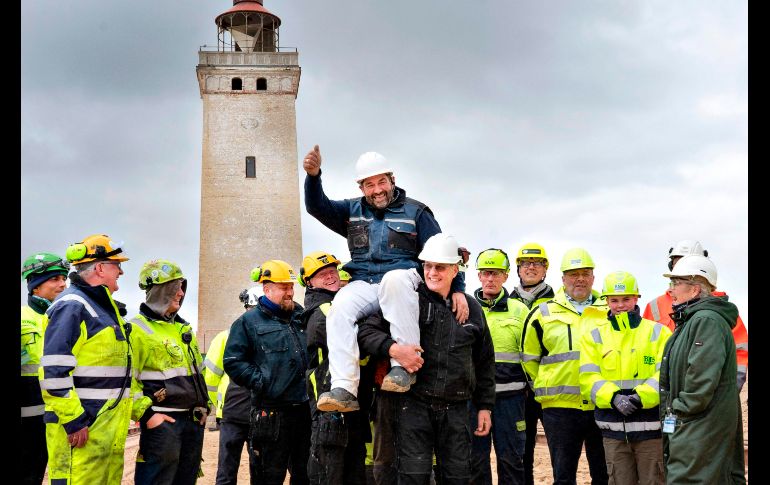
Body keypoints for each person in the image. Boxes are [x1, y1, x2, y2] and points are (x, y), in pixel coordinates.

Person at [302, 145, 468, 412]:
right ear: (361, 188)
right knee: (340, 306)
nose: (377, 189)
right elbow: (316, 207)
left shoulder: (417, 212)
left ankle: (402, 368)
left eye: (381, 181)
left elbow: (442, 251)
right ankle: (344, 388)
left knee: (394, 280)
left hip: (405, 278)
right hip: (364, 282)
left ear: (392, 180)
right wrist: (313, 176)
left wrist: (458, 288)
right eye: (369, 184)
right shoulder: (351, 211)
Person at [365, 233, 496, 484]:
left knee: (457, 477)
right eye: (428, 266)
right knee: (414, 477)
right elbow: (367, 332)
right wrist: (393, 349)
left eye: (440, 267)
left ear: (455, 270)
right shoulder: (407, 300)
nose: (432, 272)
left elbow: (484, 361)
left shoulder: (472, 309)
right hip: (413, 406)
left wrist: (485, 406)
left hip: (457, 409)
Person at [39, 234, 133, 484]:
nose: (121, 272)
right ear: (100, 268)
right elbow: (53, 371)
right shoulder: (73, 306)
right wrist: (73, 420)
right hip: (83, 432)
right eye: (117, 265)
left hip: (102, 432)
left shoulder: (102, 309)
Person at [521, 247, 609, 485]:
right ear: (562, 278)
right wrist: (546, 385)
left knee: (603, 474)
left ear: (593, 277)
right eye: (573, 274)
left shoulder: (608, 311)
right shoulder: (543, 313)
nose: (579, 279)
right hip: (559, 410)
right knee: (563, 475)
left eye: (585, 273)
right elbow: (529, 358)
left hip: (600, 404)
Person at [579, 271, 672, 485]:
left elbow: (665, 375)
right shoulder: (594, 336)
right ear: (606, 301)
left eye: (626, 299)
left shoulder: (658, 333)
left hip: (650, 429)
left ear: (636, 298)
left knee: (654, 481)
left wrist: (641, 397)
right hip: (613, 430)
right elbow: (588, 377)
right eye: (614, 300)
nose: (620, 305)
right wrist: (612, 397)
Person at [659, 255, 745, 483]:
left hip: (699, 427)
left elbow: (701, 381)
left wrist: (678, 411)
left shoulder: (706, 321)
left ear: (695, 289)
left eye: (677, 283)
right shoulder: (692, 320)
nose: (671, 290)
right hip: (695, 426)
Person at [223, 260, 311, 485]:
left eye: (291, 287)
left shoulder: (299, 316)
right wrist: (263, 382)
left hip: (303, 410)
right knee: (268, 476)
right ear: (267, 288)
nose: (290, 292)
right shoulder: (247, 322)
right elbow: (233, 362)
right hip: (270, 414)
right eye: (283, 287)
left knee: (305, 474)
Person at [129, 259, 210, 485]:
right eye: (175, 288)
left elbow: (197, 375)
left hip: (192, 421)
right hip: (163, 423)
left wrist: (205, 406)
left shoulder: (183, 328)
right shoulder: (137, 329)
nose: (181, 294)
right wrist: (148, 417)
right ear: (157, 290)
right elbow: (128, 382)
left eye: (183, 287)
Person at [301, 251, 372, 485]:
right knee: (330, 475)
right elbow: (361, 345)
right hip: (330, 407)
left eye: (332, 271)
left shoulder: (338, 304)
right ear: (309, 282)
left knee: (353, 471)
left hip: (348, 404)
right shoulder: (325, 311)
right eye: (322, 274)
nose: (330, 276)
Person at [643, 239, 748, 391]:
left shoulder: (720, 308)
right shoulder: (654, 306)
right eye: (678, 263)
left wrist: (730, 388)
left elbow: (740, 349)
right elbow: (645, 351)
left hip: (703, 393)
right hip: (665, 391)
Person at [470, 248, 531, 485]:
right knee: (476, 462)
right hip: (474, 401)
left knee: (512, 461)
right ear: (479, 276)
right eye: (486, 273)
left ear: (506, 276)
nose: (490, 279)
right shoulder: (466, 308)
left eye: (496, 273)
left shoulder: (520, 310)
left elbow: (531, 355)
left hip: (511, 401)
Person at [204, 286, 262, 485]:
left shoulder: (271, 336)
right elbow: (210, 379)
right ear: (246, 308)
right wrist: (219, 405)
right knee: (228, 470)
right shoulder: (225, 337)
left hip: (260, 414)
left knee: (259, 469)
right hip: (233, 414)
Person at [508, 242, 555, 485]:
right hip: (518, 390)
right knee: (521, 450)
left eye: (537, 263)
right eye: (526, 263)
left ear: (546, 269)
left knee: (559, 451)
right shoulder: (506, 302)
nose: (531, 268)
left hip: (549, 387)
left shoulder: (557, 302)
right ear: (518, 269)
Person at [21, 252, 69, 485]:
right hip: (28, 421)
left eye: (64, 278)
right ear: (35, 286)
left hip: (63, 415)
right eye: (55, 279)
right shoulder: (22, 318)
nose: (63, 284)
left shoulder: (69, 318)